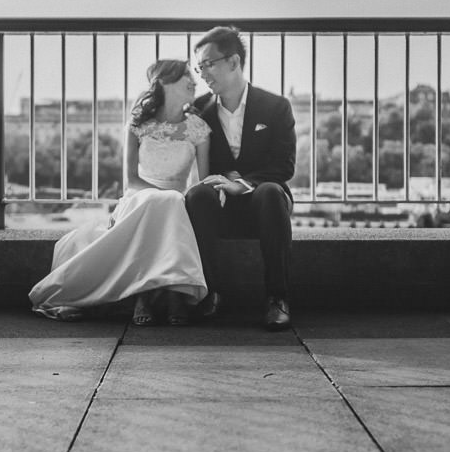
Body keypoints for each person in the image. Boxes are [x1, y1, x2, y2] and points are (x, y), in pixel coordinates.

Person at [29, 59, 211, 326]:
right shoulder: (138, 124)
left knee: (171, 201)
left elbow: (203, 180)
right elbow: (131, 179)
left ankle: (161, 293)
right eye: (187, 75)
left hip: (177, 201)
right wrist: (161, 196)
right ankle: (156, 294)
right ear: (164, 82)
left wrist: (178, 197)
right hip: (139, 196)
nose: (195, 81)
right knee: (164, 201)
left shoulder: (198, 127)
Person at [185, 26, 296, 331]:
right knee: (197, 195)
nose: (202, 74)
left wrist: (244, 184)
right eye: (199, 67)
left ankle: (277, 298)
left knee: (270, 191)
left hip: (265, 201)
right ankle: (210, 293)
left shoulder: (276, 107)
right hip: (219, 202)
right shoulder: (199, 111)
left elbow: (284, 165)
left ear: (233, 62)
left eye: (208, 64)